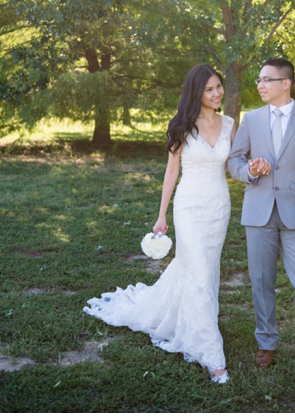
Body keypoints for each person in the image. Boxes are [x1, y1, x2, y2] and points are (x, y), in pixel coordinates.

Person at [84, 64, 234, 384]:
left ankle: (186, 318)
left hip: (219, 208)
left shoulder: (231, 124)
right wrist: (162, 215)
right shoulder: (181, 126)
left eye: (218, 86)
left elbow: (236, 164)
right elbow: (171, 172)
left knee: (205, 270)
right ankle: (211, 354)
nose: (217, 93)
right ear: (197, 92)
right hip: (189, 208)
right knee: (199, 272)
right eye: (209, 89)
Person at [226, 58, 295, 373]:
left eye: (266, 80)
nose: (260, 85)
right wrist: (248, 170)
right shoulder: (252, 119)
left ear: (285, 83)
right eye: (259, 80)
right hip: (258, 213)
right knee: (261, 282)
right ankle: (266, 344)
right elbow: (234, 159)